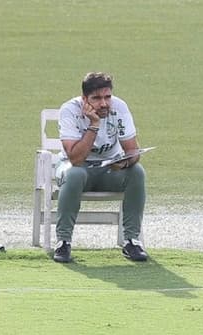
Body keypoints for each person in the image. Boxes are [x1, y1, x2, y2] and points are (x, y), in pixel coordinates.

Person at [53, 72, 148, 263]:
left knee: (137, 172)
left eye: (107, 97)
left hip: (108, 170)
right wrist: (94, 124)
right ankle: (63, 242)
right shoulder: (69, 110)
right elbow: (76, 158)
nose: (104, 104)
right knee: (74, 175)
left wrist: (125, 162)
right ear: (84, 99)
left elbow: (133, 151)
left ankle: (131, 241)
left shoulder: (119, 108)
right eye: (96, 98)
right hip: (75, 169)